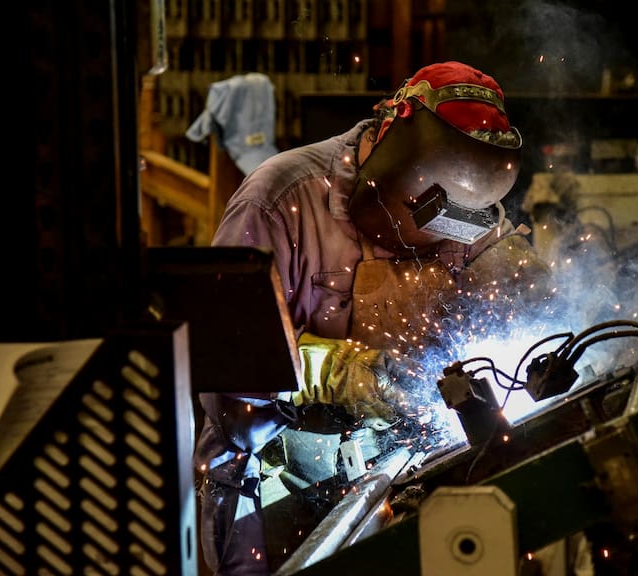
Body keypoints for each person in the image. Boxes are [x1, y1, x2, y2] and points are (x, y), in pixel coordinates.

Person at [193, 61, 552, 576]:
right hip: (275, 479)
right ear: (395, 143)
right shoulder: (279, 201)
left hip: (397, 462)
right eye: (431, 210)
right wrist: (341, 371)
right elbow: (227, 377)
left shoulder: (465, 211)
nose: (445, 228)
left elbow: (527, 300)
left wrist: (542, 306)